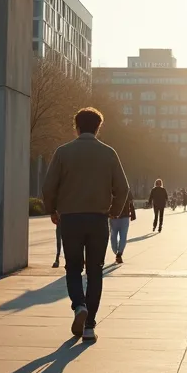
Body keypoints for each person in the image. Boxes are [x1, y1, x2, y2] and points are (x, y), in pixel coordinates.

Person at [42, 107, 130, 343]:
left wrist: (52, 209)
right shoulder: (109, 153)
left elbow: (48, 187)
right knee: (94, 271)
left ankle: (79, 306)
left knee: (72, 268)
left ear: (77, 127)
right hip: (98, 219)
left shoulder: (63, 152)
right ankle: (90, 325)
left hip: (70, 219)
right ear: (98, 127)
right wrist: (113, 211)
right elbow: (122, 188)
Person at [110, 190, 135, 264]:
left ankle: (117, 252)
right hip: (123, 216)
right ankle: (119, 253)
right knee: (122, 236)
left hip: (115, 216)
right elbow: (131, 201)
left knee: (114, 235)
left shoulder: (111, 188)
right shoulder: (127, 189)